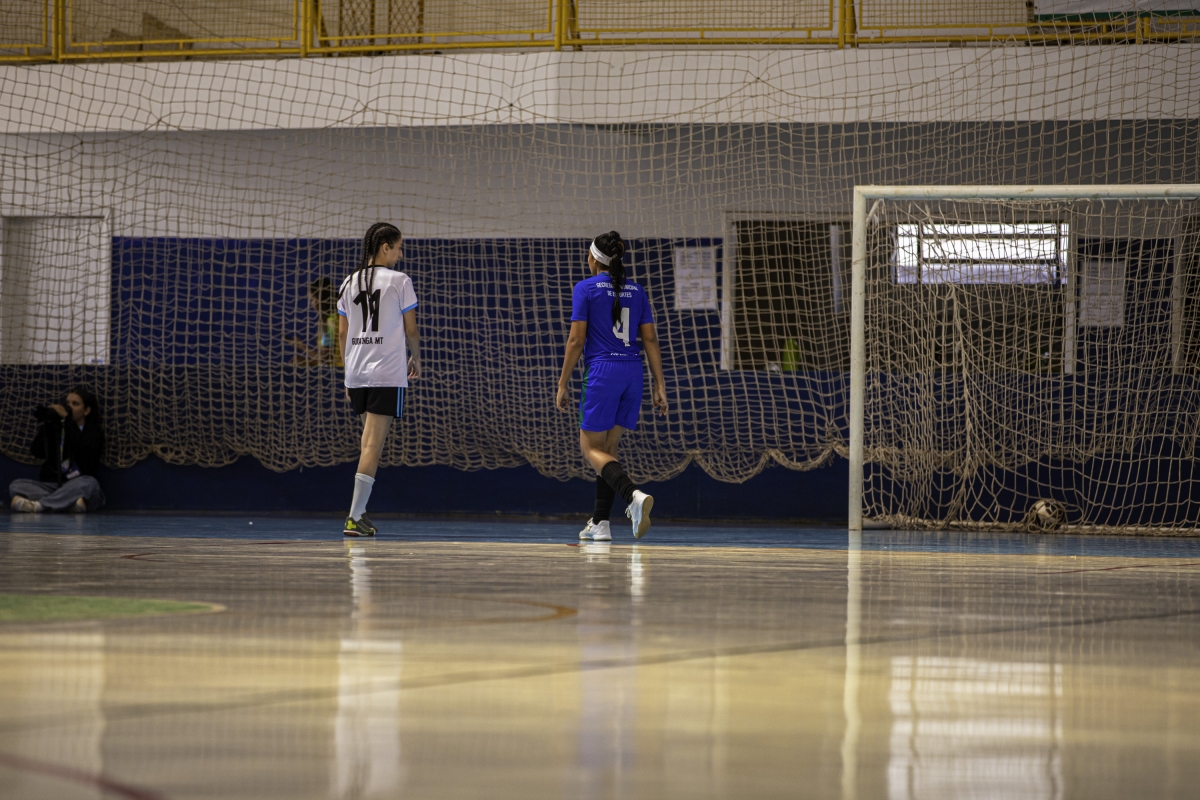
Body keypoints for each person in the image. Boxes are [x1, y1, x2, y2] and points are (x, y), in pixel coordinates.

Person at [556, 231, 668, 541]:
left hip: (603, 372)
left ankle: (633, 496)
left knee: (590, 448)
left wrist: (562, 383)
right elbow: (650, 339)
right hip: (632, 372)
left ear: (593, 259)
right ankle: (600, 522)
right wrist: (659, 384)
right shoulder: (637, 290)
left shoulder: (585, 288)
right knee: (608, 450)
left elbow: (576, 340)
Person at [337, 222, 420, 537]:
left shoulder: (349, 282)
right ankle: (354, 516)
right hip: (385, 372)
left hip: (357, 372)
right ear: (385, 247)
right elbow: (411, 329)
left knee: (367, 443)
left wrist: (348, 373)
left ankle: (360, 513)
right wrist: (416, 357)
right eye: (398, 247)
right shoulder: (399, 281)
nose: (401, 254)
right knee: (372, 445)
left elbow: (342, 334)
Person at [9, 386, 106, 513]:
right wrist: (48, 424)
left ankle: (39, 506)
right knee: (16, 485)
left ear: (86, 411)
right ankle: (68, 503)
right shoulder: (56, 429)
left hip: (77, 484)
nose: (69, 407)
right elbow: (36, 451)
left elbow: (83, 449)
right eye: (67, 403)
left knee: (91, 484)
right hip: (53, 486)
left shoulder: (93, 432)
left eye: (75, 404)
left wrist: (68, 420)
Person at [287, 277, 344, 367]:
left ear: (322, 299)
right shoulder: (339, 317)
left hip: (337, 371)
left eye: (313, 299)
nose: (312, 304)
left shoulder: (330, 321)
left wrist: (302, 348)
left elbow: (326, 359)